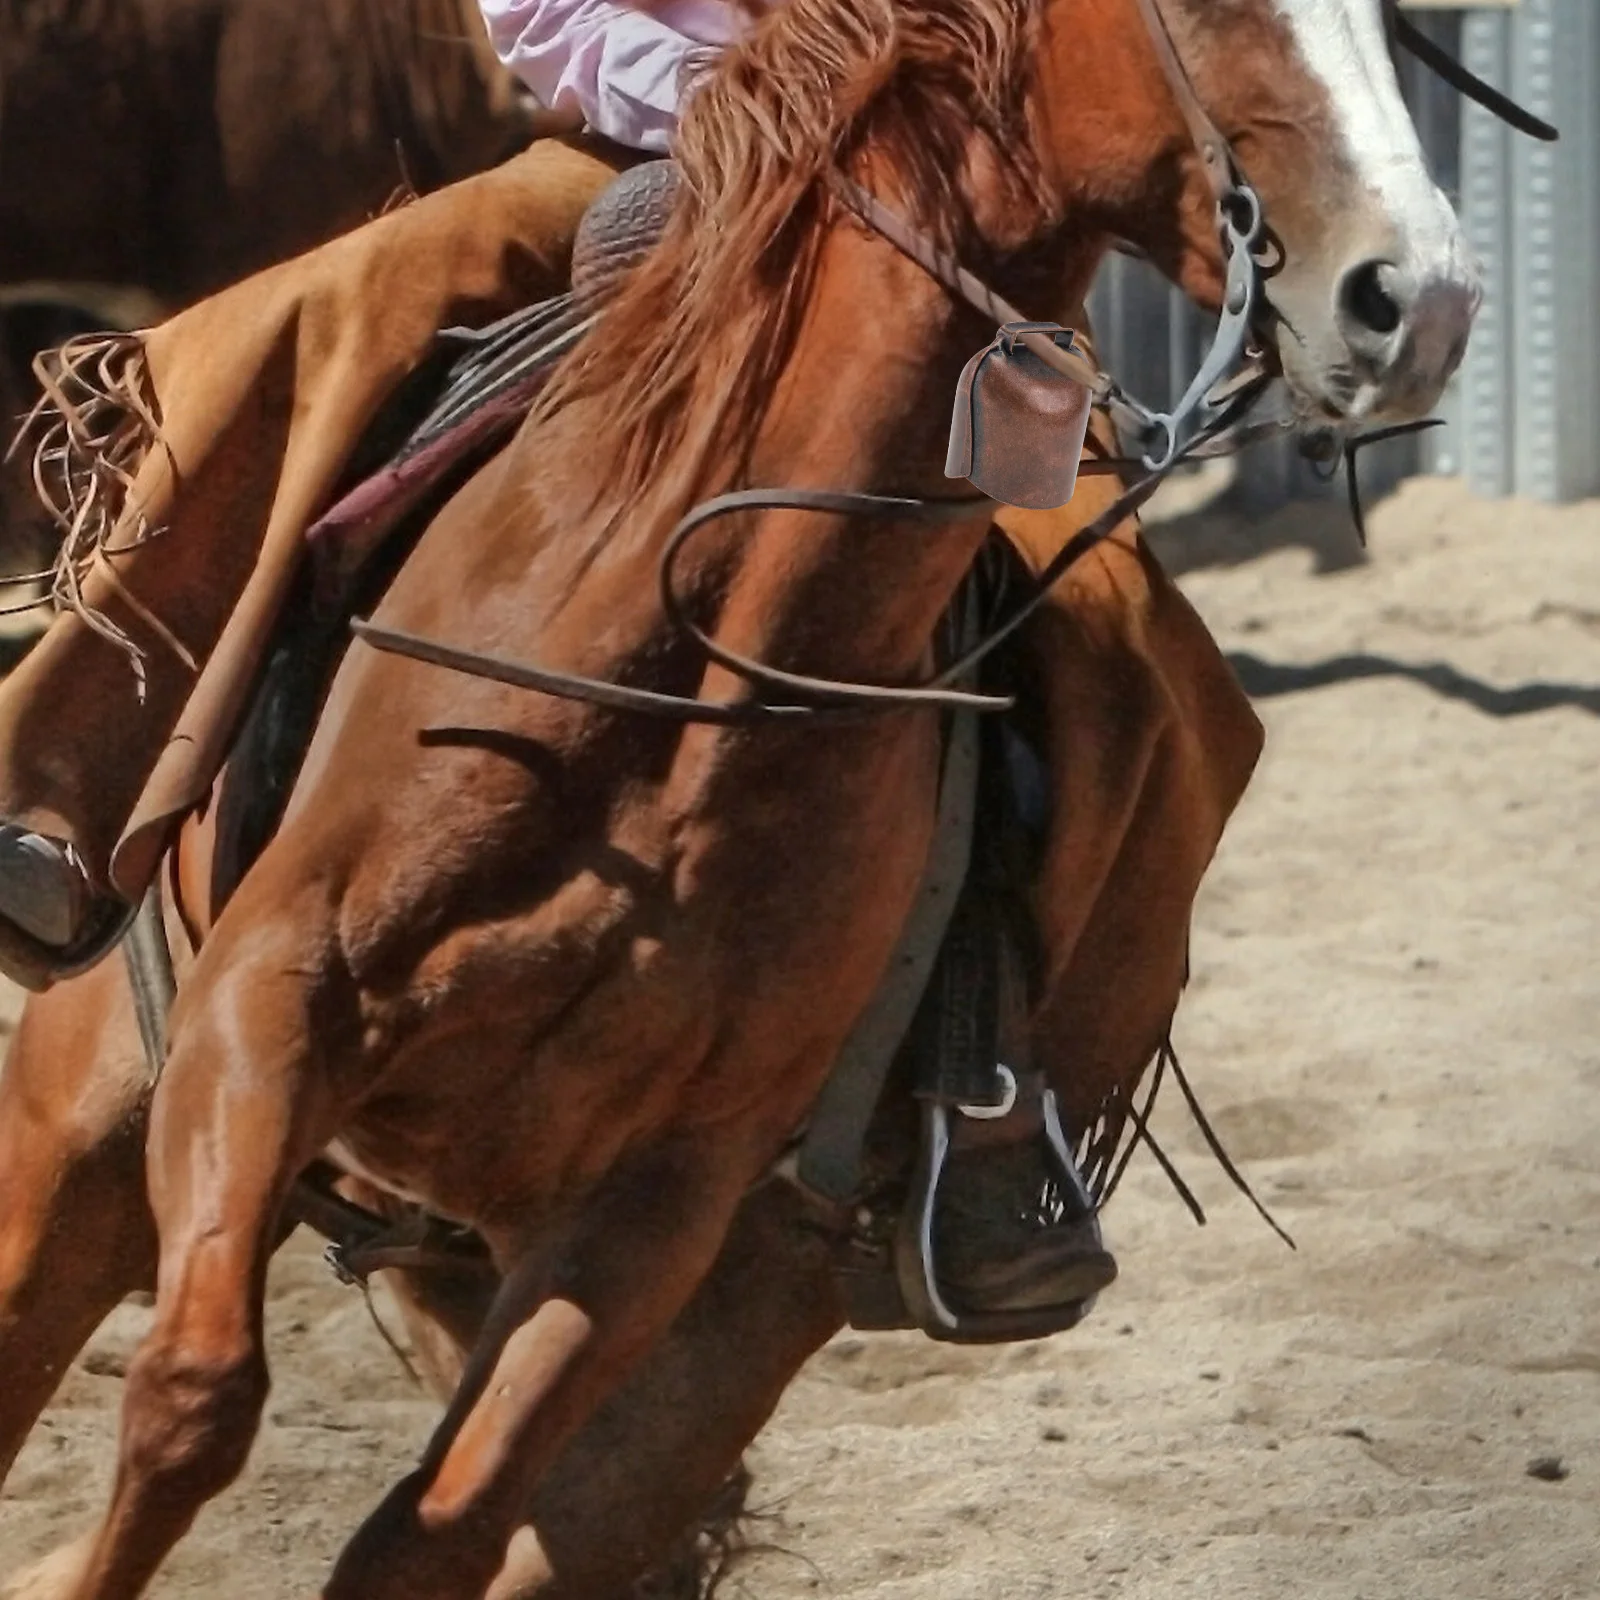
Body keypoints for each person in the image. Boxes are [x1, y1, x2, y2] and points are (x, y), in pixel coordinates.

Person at [0, 0, 1259, 1320]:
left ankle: (986, 1086)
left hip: (943, 230)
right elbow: (541, 14)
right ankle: (67, 768)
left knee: (1115, 612)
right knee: (348, 302)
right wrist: (754, 100)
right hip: (657, 163)